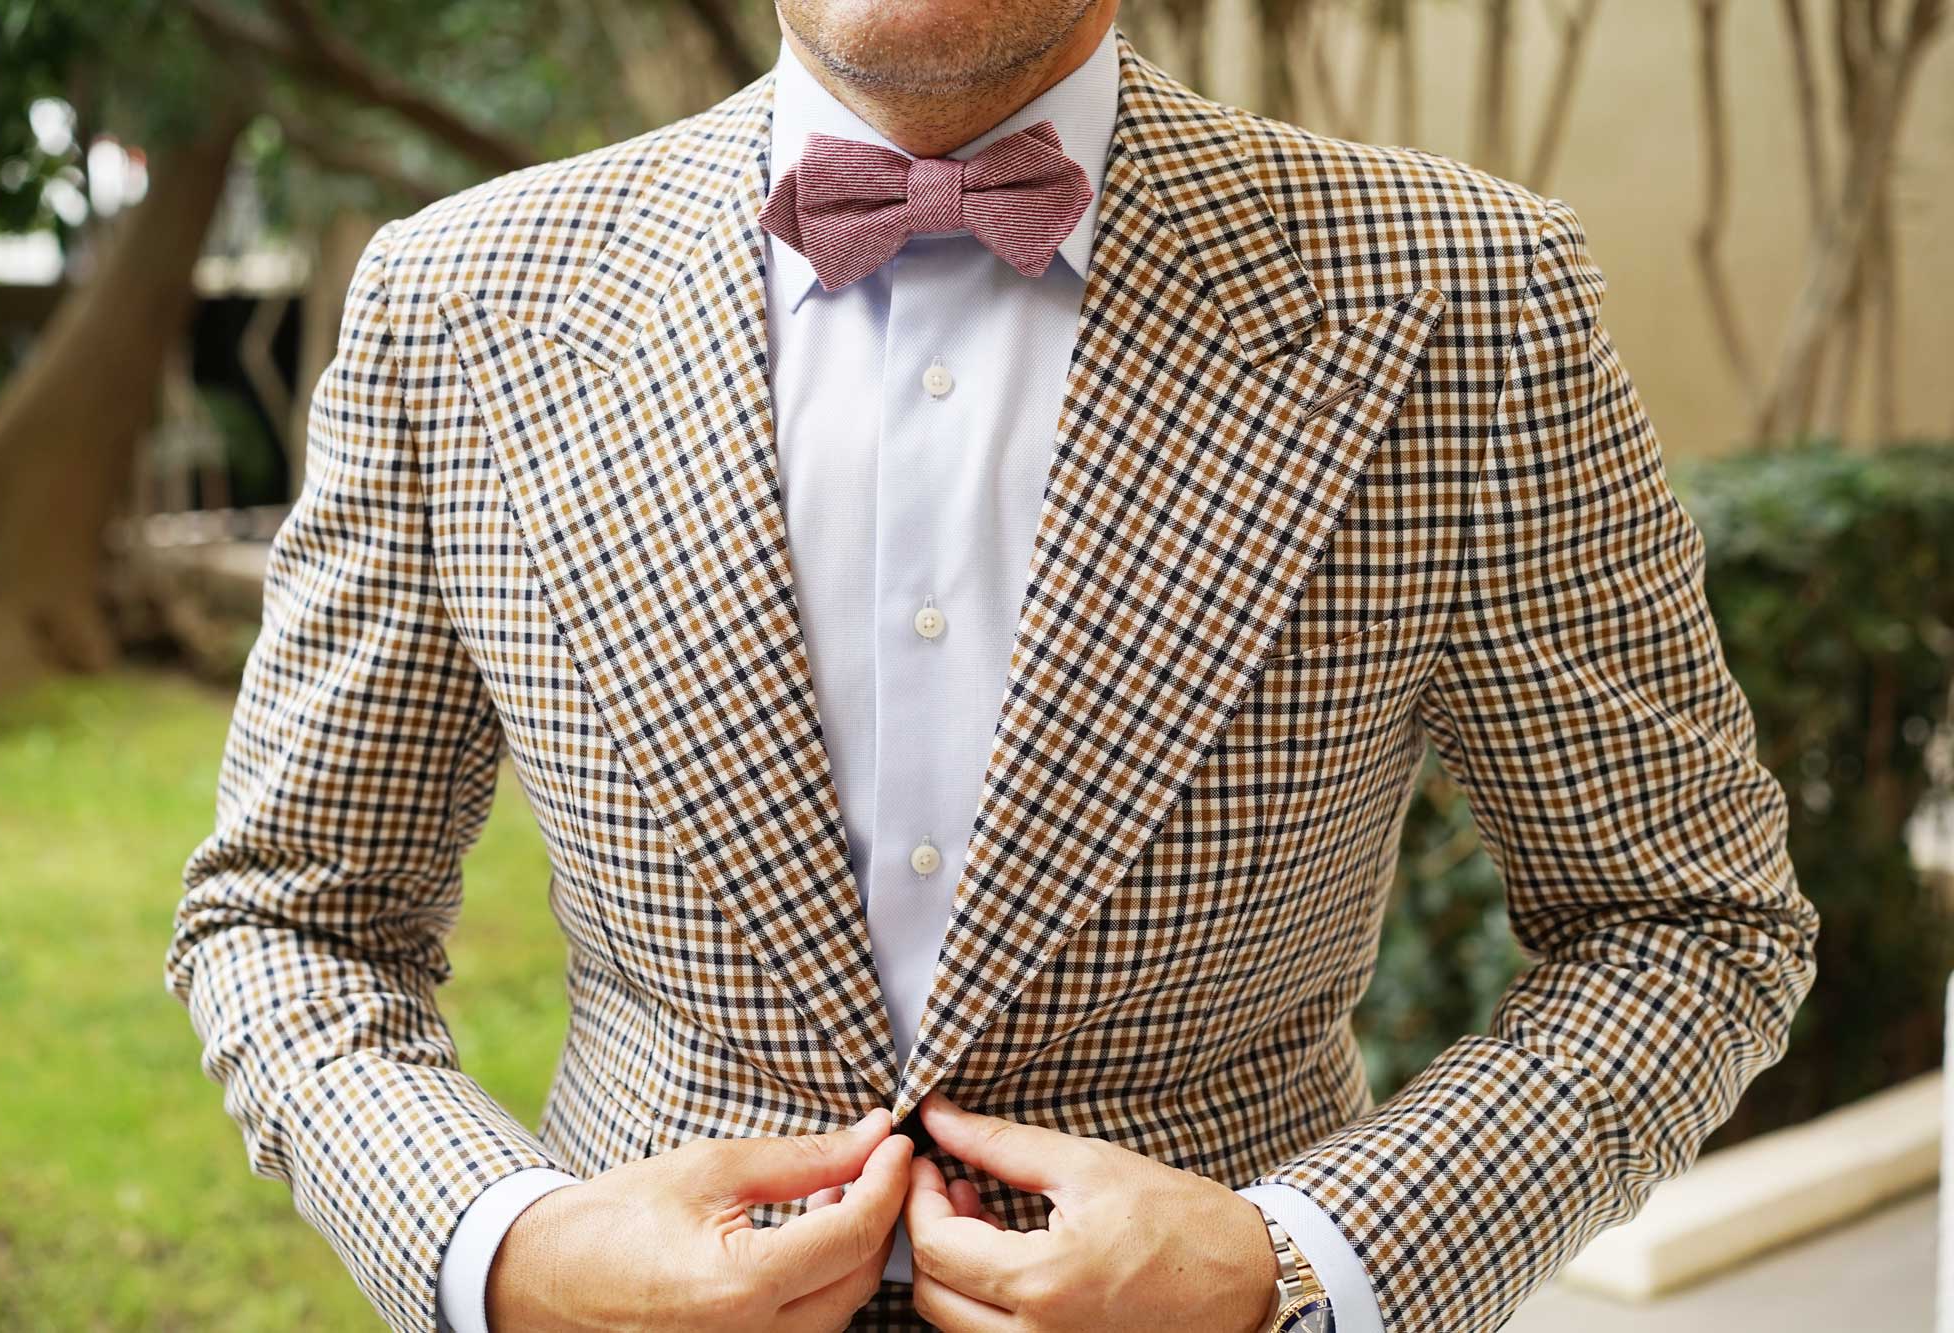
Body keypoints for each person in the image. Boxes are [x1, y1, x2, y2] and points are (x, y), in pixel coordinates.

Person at [166, 1, 1819, 1330]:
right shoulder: (458, 304)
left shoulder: (1464, 295)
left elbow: (1685, 921)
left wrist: (1302, 1260)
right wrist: (499, 1247)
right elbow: (292, 917)